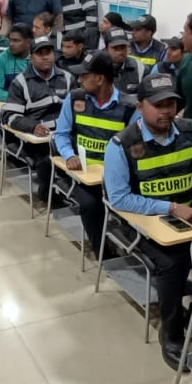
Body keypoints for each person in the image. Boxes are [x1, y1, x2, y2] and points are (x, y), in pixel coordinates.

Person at [103, 74, 192, 369]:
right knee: (174, 262)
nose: (166, 110)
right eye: (158, 104)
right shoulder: (121, 144)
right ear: (140, 107)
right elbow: (119, 199)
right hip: (143, 224)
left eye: (171, 103)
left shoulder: (191, 132)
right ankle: (173, 331)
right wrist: (170, 207)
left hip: (191, 216)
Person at [54, 51, 135, 252]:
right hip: (81, 174)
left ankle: (134, 244)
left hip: (115, 176)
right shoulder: (74, 99)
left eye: (84, 75)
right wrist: (69, 155)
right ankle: (102, 253)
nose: (79, 79)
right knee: (91, 204)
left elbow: (134, 146)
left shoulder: (129, 107)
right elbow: (61, 134)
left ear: (100, 78)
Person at [3, 35, 71, 204]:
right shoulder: (20, 83)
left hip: (64, 134)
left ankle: (72, 191)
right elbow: (10, 116)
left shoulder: (68, 78)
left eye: (48, 52)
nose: (45, 56)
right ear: (31, 57)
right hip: (36, 140)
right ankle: (48, 194)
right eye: (40, 53)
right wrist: (32, 126)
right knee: (47, 161)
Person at [0, 23, 31, 102]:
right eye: (10, 40)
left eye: (16, 41)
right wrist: (18, 99)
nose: (11, 44)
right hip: (9, 105)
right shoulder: (1, 59)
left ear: (28, 42)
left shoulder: (37, 58)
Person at [104, 27, 145, 96]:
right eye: (115, 48)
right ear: (106, 49)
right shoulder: (97, 68)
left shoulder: (140, 68)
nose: (120, 52)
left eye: (123, 47)